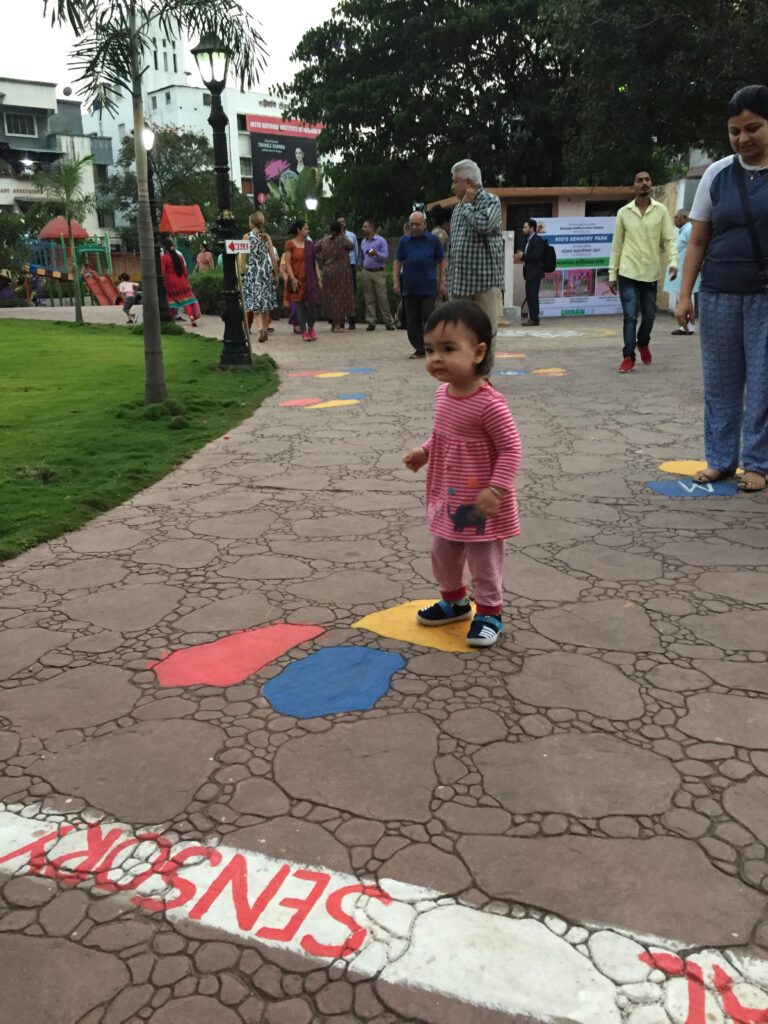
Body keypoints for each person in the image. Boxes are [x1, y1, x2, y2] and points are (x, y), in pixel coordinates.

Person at [402, 299, 522, 648]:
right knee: (443, 552)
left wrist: (497, 491)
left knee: (483, 560)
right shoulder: (443, 394)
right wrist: (425, 452)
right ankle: (454, 601)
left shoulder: (490, 404)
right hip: (448, 496)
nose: (436, 358)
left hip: (482, 504)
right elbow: (443, 435)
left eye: (448, 349)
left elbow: (511, 449)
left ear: (479, 353)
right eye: (429, 350)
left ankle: (489, 612)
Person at [676, 83, 768, 493]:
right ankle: (720, 460)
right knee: (720, 381)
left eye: (753, 128)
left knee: (764, 382)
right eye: (734, 131)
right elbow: (697, 240)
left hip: (765, 296)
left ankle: (759, 463)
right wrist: (684, 295)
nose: (743, 138)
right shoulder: (717, 173)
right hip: (717, 294)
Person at [608, 170, 678, 372]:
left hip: (650, 273)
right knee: (630, 316)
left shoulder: (661, 211)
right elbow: (616, 246)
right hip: (627, 272)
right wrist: (612, 275)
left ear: (651, 184)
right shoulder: (624, 213)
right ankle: (628, 356)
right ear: (634, 186)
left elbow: (669, 239)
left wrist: (674, 262)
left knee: (649, 316)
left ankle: (643, 342)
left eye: (648, 180)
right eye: (640, 180)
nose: (644, 183)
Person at [447, 159, 504, 337]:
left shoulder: (491, 201)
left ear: (468, 182)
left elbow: (485, 224)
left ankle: (485, 366)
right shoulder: (457, 209)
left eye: (455, 181)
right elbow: (453, 247)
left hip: (484, 286)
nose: (452, 186)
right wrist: (448, 280)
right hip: (460, 287)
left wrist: (466, 206)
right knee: (460, 334)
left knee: (485, 334)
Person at [393, 210, 446, 358]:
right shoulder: (404, 241)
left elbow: (442, 259)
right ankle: (419, 348)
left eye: (417, 224)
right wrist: (396, 281)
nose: (414, 227)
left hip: (428, 287)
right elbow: (397, 261)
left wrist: (442, 281)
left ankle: (432, 346)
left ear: (425, 224)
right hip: (409, 287)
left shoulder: (433, 240)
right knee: (412, 320)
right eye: (412, 224)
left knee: (429, 317)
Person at [241, 211, 278, 343]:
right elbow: (273, 257)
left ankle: (261, 329)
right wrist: (276, 274)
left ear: (252, 222)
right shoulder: (266, 237)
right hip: (266, 270)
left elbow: (243, 258)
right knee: (265, 302)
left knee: (255, 302)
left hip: (253, 270)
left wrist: (242, 274)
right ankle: (265, 327)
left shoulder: (247, 237)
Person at [316, 220, 355, 332]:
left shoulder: (325, 240)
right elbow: (351, 246)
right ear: (340, 230)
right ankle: (338, 325)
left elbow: (314, 249)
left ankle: (334, 324)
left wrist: (322, 257)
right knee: (340, 298)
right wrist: (343, 234)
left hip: (328, 272)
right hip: (341, 273)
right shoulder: (342, 240)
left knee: (331, 298)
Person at [284, 219, 320, 341]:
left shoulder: (310, 244)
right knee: (299, 306)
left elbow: (314, 262)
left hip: (310, 279)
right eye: (305, 228)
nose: (307, 230)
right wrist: (292, 278)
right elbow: (287, 263)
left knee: (312, 306)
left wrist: (319, 278)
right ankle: (304, 331)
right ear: (299, 230)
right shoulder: (290, 244)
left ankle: (311, 328)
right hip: (297, 280)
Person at [665, 210, 699, 334]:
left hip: (685, 271)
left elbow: (695, 249)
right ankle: (686, 326)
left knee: (686, 298)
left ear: (685, 218)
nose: (674, 219)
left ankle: (688, 327)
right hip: (681, 271)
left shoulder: (689, 229)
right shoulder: (684, 230)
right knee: (684, 297)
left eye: (677, 217)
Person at [360, 219, 395, 330]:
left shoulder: (380, 241)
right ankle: (371, 322)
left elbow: (385, 256)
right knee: (369, 298)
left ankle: (388, 322)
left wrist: (376, 253)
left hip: (378, 272)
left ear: (371, 228)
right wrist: (360, 264)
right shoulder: (363, 242)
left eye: (365, 226)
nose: (363, 229)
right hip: (366, 272)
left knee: (382, 298)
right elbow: (362, 255)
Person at [161, 238, 200, 326]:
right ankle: (191, 317)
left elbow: (163, 272)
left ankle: (172, 321)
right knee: (186, 300)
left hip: (170, 281)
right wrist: (186, 280)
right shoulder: (179, 256)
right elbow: (185, 271)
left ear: (165, 248)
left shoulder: (163, 258)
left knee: (171, 302)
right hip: (181, 279)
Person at [515, 218, 547, 326]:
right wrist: (522, 255)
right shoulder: (529, 240)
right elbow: (530, 256)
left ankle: (534, 319)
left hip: (535, 273)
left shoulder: (537, 240)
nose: (523, 229)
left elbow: (537, 256)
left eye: (525, 227)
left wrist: (523, 255)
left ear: (532, 228)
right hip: (529, 273)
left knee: (533, 296)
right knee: (530, 296)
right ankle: (532, 318)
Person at [336, 215, 359, 329]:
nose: (342, 224)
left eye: (343, 222)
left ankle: (352, 321)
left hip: (350, 265)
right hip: (339, 267)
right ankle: (341, 321)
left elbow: (356, 252)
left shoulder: (352, 236)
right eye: (340, 223)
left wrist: (355, 262)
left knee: (351, 293)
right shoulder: (333, 237)